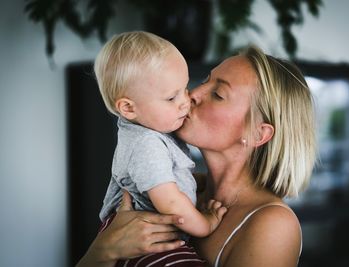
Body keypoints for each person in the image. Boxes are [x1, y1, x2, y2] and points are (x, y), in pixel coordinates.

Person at [77, 44, 316, 267]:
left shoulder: (272, 225)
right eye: (205, 80)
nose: (193, 94)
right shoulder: (177, 189)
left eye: (218, 94)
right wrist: (103, 250)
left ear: (257, 133)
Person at [92, 31, 228, 266]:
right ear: (128, 108)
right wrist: (207, 223)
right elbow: (171, 204)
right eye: (171, 98)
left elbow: (168, 177)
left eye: (184, 88)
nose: (185, 101)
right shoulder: (147, 144)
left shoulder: (151, 131)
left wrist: (202, 182)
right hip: (146, 242)